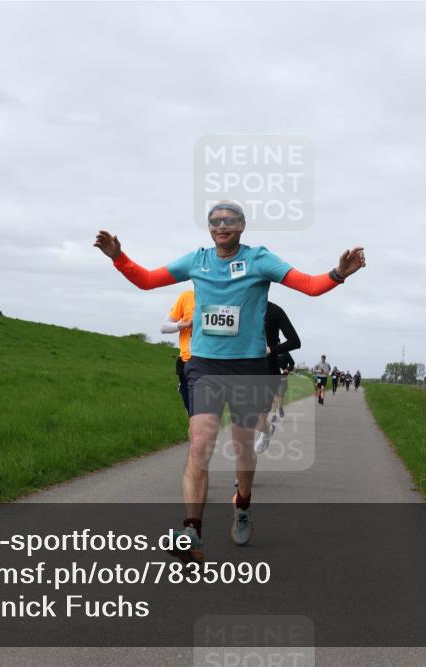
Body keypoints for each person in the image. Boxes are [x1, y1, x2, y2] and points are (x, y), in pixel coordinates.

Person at [94, 201, 365, 562]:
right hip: (205, 367)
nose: (222, 226)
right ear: (208, 228)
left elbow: (310, 286)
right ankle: (192, 531)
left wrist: (338, 273)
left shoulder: (260, 260)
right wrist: (118, 256)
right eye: (215, 221)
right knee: (201, 442)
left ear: (242, 226)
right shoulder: (197, 261)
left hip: (248, 368)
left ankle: (243, 504)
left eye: (230, 220)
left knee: (242, 448)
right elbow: (146, 280)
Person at [254, 301, 301, 455]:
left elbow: (295, 341)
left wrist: (271, 349)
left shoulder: (274, 311)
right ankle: (241, 476)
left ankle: (266, 431)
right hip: (241, 369)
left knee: (257, 421)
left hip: (268, 371)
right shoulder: (237, 306)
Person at [160, 290, 195, 415]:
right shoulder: (187, 296)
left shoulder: (223, 295)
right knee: (194, 417)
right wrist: (185, 324)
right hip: (188, 362)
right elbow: (163, 327)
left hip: (214, 361)